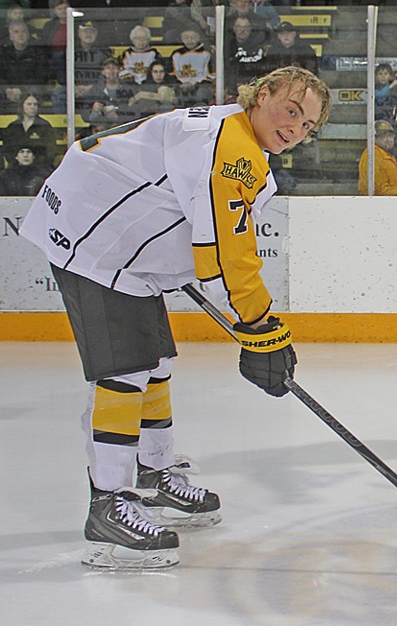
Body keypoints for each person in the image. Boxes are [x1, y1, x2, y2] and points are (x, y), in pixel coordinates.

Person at [20, 65, 331, 571]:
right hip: (94, 239)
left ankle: (153, 472)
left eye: (308, 126)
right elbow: (230, 252)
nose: (296, 130)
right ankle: (107, 506)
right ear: (262, 94)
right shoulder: (229, 147)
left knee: (156, 362)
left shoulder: (229, 133)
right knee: (123, 373)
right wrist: (261, 329)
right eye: (291, 111)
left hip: (121, 242)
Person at [357, 119, 397, 196]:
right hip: (379, 205)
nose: (389, 140)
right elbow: (379, 189)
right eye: (383, 136)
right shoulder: (372, 155)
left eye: (390, 136)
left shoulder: (385, 155)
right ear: (374, 138)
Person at [1, 91, 55, 168]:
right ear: (22, 106)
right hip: (16, 168)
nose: (32, 107)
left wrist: (34, 162)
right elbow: (7, 149)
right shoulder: (13, 126)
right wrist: (17, 162)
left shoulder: (44, 125)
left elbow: (50, 151)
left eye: (35, 104)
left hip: (39, 169)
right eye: (29, 104)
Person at [170, 26, 215, 107]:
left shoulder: (206, 53)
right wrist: (181, 84)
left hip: (200, 87)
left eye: (192, 37)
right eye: (186, 38)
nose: (189, 40)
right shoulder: (176, 54)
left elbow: (209, 76)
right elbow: (173, 73)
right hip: (181, 87)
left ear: (198, 38)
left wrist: (193, 83)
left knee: (202, 94)